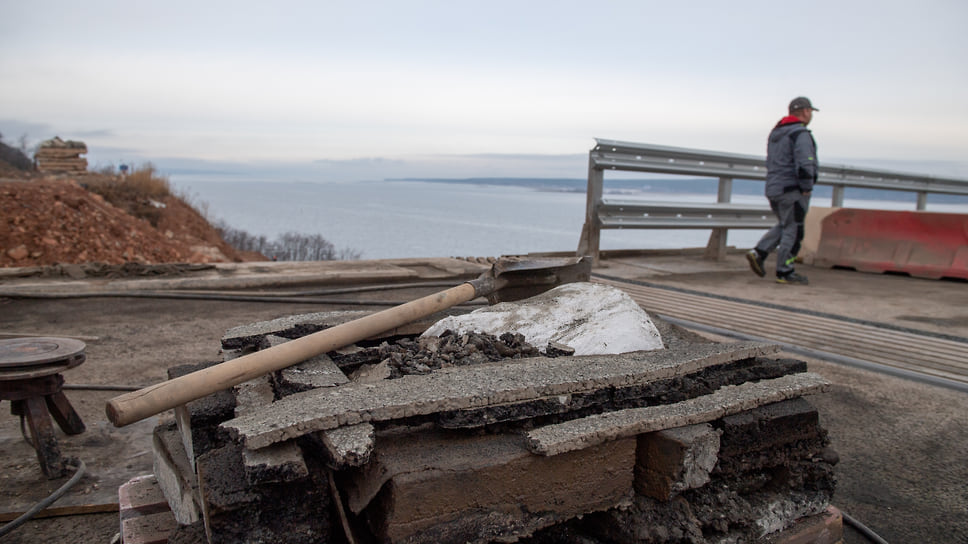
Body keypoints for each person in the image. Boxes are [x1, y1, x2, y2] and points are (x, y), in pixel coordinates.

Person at [746, 96, 819, 285]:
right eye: (810, 111)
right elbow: (805, 162)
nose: (811, 115)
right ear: (805, 111)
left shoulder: (776, 133)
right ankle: (785, 271)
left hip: (774, 187)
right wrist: (806, 186)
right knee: (794, 229)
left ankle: (759, 252)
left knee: (786, 225)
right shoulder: (800, 134)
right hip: (792, 189)